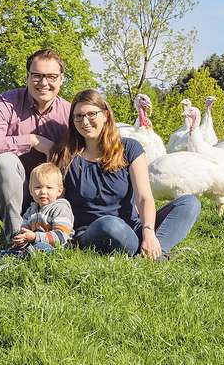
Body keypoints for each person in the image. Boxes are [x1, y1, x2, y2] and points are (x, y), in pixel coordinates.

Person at [50, 89, 201, 260]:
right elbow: (58, 202)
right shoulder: (65, 156)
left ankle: (153, 249)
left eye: (91, 114)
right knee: (109, 224)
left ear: (105, 115)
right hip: (94, 231)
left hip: (133, 228)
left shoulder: (130, 148)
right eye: (78, 116)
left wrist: (149, 233)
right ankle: (154, 257)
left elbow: (144, 197)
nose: (85, 121)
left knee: (190, 203)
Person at [0, 49, 70, 244]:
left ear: (61, 79)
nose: (44, 83)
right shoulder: (6, 102)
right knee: (5, 161)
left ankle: (63, 230)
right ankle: (16, 238)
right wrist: (32, 140)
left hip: (51, 194)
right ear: (27, 77)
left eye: (51, 76)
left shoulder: (70, 112)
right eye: (37, 76)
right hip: (5, 192)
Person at [0, 162, 74, 258]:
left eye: (49, 187)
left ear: (59, 191)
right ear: (31, 190)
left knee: (40, 247)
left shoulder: (61, 209)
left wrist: (34, 237)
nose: (43, 192)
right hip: (33, 245)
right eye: (38, 187)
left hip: (56, 249)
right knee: (14, 249)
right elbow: (24, 229)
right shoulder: (31, 210)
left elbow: (61, 236)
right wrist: (22, 237)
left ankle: (17, 257)